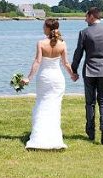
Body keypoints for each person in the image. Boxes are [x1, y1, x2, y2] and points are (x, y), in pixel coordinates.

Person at [22, 18, 78, 149]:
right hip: (57, 79)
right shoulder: (62, 44)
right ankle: (54, 138)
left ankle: (39, 138)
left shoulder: (41, 43)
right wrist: (72, 75)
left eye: (44, 26)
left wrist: (28, 78)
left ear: (48, 28)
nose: (42, 28)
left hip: (44, 77)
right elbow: (65, 63)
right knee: (54, 107)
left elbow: (37, 62)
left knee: (42, 104)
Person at [71, 7, 103, 145]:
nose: (85, 19)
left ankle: (90, 131)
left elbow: (78, 53)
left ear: (92, 16)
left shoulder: (84, 33)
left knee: (90, 102)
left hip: (89, 71)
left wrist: (73, 69)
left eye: (86, 16)